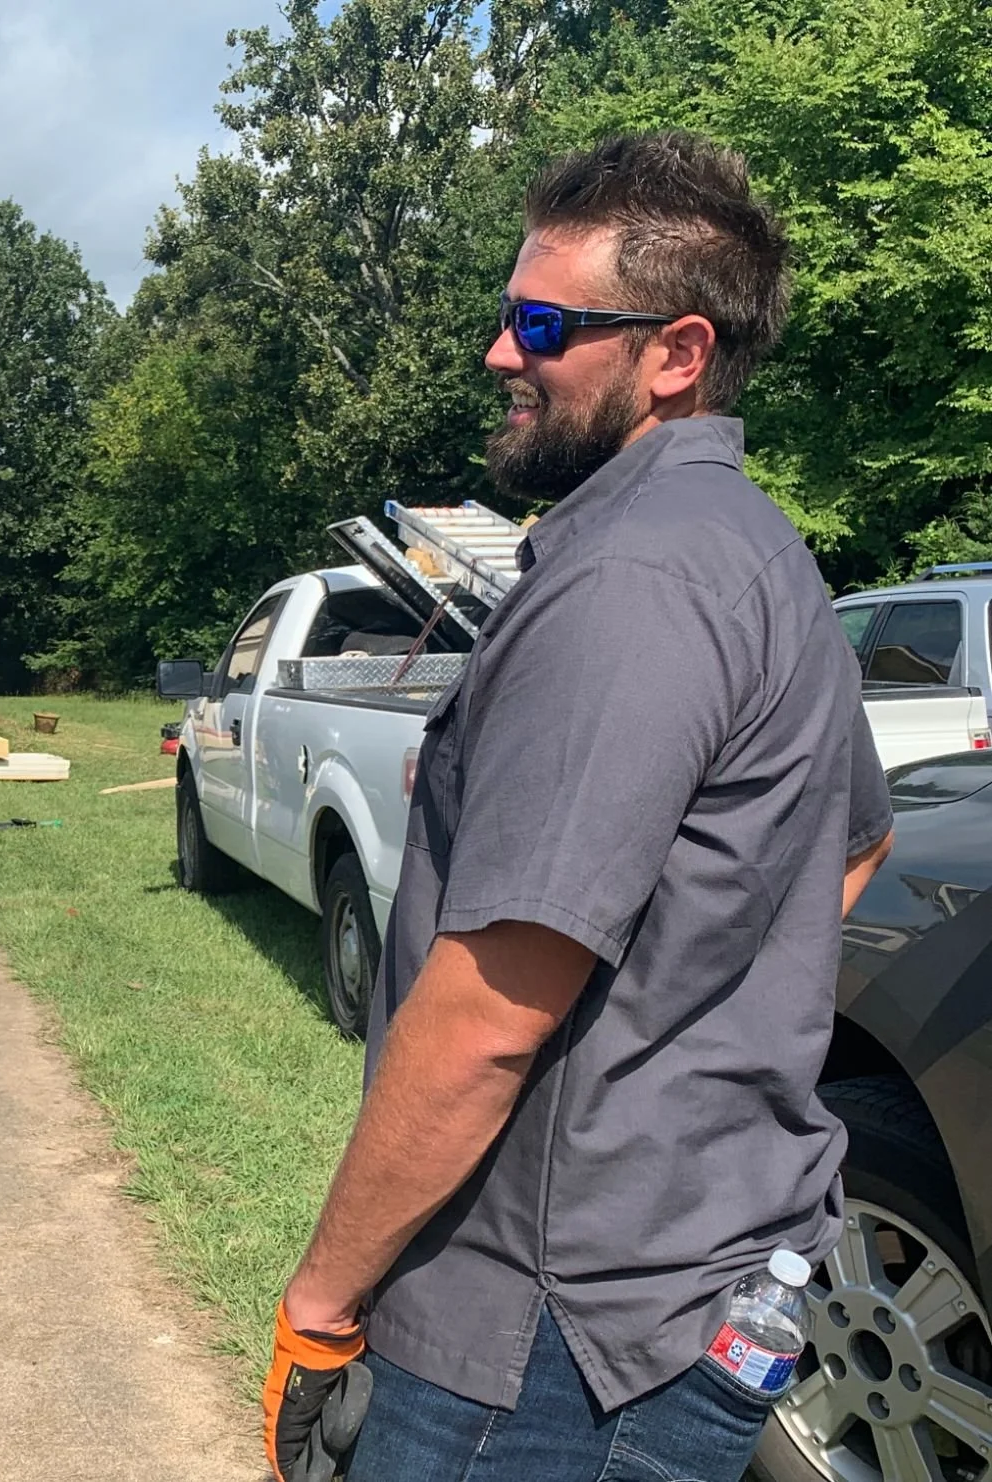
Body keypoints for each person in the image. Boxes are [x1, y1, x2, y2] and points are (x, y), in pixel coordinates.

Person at [262, 132, 895, 1481]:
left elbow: (492, 1014)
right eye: (509, 313)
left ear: (673, 353)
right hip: (688, 1287)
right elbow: (854, 849)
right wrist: (684, 1026)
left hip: (544, 1335)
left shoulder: (628, 587)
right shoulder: (756, 550)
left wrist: (320, 1303)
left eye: (543, 323)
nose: (502, 352)